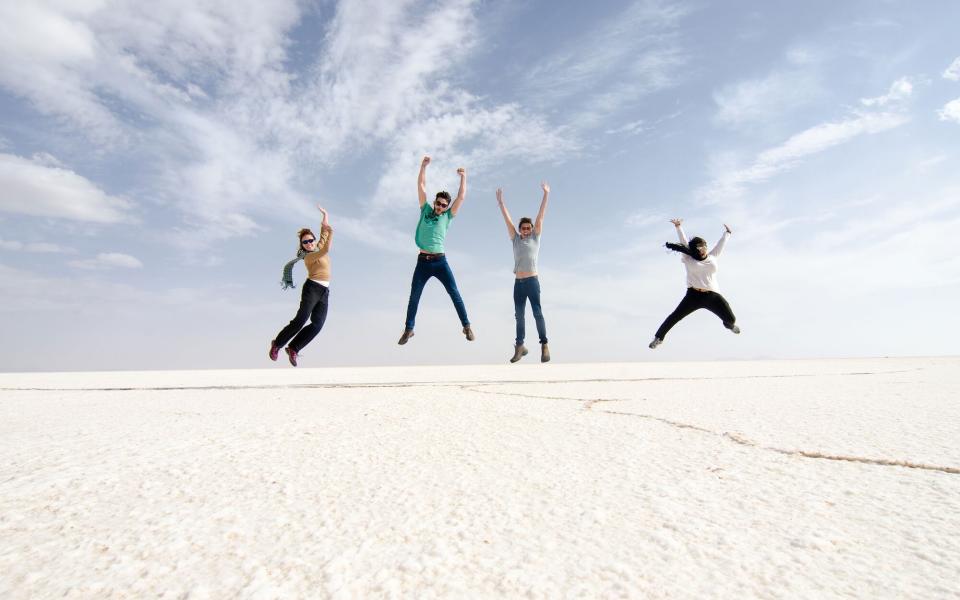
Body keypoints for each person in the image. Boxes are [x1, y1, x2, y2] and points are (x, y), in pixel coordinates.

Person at [398, 155, 473, 345]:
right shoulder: (425, 210)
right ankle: (409, 329)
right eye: (438, 203)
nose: (439, 207)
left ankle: (466, 326)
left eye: (443, 205)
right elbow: (421, 186)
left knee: (454, 293)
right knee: (414, 295)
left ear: (446, 207)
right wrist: (423, 166)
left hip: (440, 262)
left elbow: (462, 196)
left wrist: (463, 177)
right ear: (434, 202)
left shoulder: (447, 217)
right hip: (423, 262)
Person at [649, 218, 740, 349]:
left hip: (713, 296)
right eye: (699, 247)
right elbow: (684, 242)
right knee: (675, 316)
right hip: (693, 296)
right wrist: (678, 227)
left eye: (704, 246)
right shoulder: (688, 258)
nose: (703, 249)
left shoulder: (713, 256)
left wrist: (727, 233)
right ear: (694, 249)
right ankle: (658, 338)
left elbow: (721, 244)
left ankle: (730, 326)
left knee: (730, 318)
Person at [270, 205, 333, 366]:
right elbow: (325, 248)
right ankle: (277, 344)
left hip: (324, 291)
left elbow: (324, 234)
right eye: (306, 242)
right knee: (301, 320)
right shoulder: (309, 257)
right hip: (312, 289)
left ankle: (294, 348)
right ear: (303, 245)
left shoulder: (317, 247)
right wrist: (330, 232)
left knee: (318, 325)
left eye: (311, 240)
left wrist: (325, 216)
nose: (310, 243)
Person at [496, 182, 551, 363]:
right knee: (519, 316)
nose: (526, 231)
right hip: (518, 284)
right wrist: (501, 203)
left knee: (537, 313)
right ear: (519, 230)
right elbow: (508, 220)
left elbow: (541, 216)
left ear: (532, 229)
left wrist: (545, 194)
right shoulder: (515, 240)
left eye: (528, 228)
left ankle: (544, 344)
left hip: (532, 282)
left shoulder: (535, 238)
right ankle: (520, 346)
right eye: (523, 228)